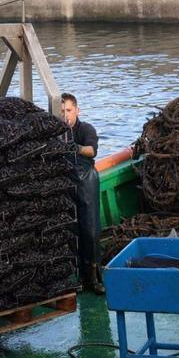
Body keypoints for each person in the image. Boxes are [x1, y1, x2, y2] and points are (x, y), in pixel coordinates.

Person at [61, 93, 105, 295]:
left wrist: (76, 148)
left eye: (68, 110)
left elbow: (92, 151)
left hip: (87, 181)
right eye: (61, 111)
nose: (65, 115)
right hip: (67, 184)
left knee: (91, 229)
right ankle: (76, 277)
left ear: (77, 110)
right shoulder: (57, 133)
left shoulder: (86, 129)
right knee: (72, 230)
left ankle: (95, 278)